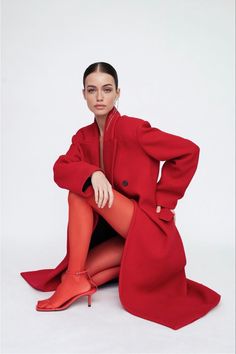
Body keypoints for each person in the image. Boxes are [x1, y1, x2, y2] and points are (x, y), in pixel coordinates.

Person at [20, 62, 221, 330]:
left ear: (118, 93)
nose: (99, 97)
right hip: (121, 238)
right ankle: (80, 278)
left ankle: (77, 279)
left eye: (106, 89)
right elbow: (60, 169)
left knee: (80, 194)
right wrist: (93, 172)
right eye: (92, 90)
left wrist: (165, 200)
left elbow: (188, 151)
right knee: (80, 273)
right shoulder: (83, 137)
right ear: (84, 95)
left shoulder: (134, 130)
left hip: (147, 230)